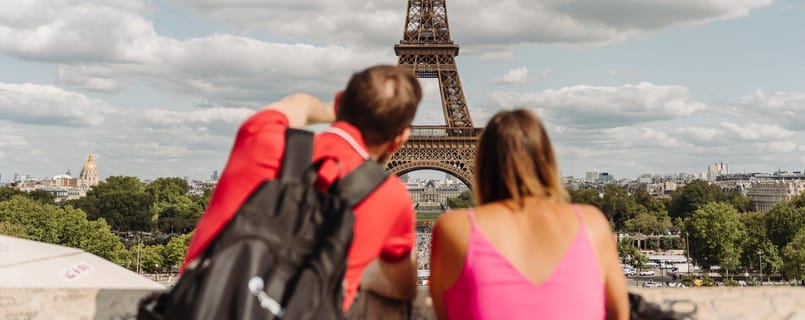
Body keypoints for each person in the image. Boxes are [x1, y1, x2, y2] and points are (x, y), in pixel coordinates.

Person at [182, 65, 422, 313]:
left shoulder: (261, 136)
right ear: (399, 140)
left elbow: (300, 103)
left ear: (339, 102)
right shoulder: (391, 196)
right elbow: (403, 288)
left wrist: (333, 110)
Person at [429, 109, 629, 320]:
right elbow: (620, 314)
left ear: (482, 163)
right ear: (547, 161)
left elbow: (446, 312)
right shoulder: (592, 223)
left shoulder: (454, 228)